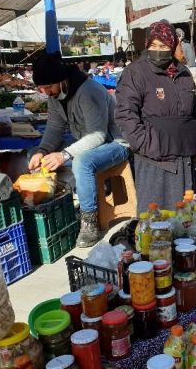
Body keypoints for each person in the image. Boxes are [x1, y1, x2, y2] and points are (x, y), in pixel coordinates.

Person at [29, 54, 129, 248]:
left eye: (48, 87)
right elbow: (55, 129)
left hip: (115, 144)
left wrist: (64, 154)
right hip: (87, 142)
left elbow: (98, 135)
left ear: (61, 80)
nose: (46, 92)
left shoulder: (89, 92)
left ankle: (89, 221)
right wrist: (42, 150)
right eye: (41, 89)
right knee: (33, 153)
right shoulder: (55, 96)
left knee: (81, 162)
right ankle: (57, 207)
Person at [115, 20, 196, 211]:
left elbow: (194, 109)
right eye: (153, 45)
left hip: (184, 157)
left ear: (171, 46)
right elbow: (124, 114)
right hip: (155, 160)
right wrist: (146, 143)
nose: (157, 50)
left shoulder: (183, 73)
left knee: (185, 217)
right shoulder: (135, 73)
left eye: (163, 46)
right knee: (156, 221)